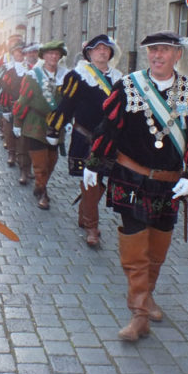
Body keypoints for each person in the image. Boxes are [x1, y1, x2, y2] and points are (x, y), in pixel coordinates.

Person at [85, 31, 188, 341]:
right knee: (135, 245)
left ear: (177, 55)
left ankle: (148, 294)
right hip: (130, 178)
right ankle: (139, 313)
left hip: (169, 184)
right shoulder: (128, 86)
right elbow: (109, 128)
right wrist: (95, 164)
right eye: (152, 50)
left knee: (157, 248)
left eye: (164, 51)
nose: (157, 55)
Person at [47, 34, 122, 246]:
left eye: (106, 49)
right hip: (85, 138)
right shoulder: (78, 75)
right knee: (91, 181)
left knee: (99, 185)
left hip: (109, 140)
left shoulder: (118, 78)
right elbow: (67, 104)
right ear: (89, 53)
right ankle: (92, 227)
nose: (102, 52)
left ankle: (84, 215)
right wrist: (55, 129)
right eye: (97, 49)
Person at [12, 40, 68, 210]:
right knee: (40, 162)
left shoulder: (65, 76)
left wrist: (69, 121)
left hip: (55, 125)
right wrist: (17, 122)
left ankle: (40, 185)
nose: (53, 56)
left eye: (57, 54)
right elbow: (23, 100)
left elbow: (70, 101)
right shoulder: (33, 75)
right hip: (35, 123)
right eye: (50, 53)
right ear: (43, 56)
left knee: (52, 160)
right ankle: (43, 192)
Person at [0, 40, 27, 175]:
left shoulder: (31, 69)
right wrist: (4, 108)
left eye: (22, 53)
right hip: (10, 104)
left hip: (26, 106)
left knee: (24, 135)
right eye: (17, 53)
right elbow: (2, 88)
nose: (19, 55)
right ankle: (11, 154)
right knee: (9, 131)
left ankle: (24, 163)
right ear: (13, 54)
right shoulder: (7, 68)